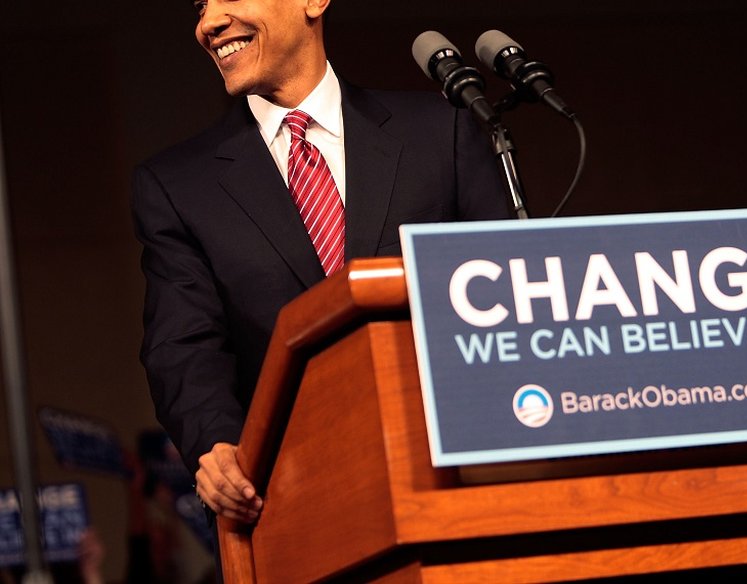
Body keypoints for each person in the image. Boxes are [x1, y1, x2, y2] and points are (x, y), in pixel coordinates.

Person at [131, 0, 511, 528]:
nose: (208, 23)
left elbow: (509, 294)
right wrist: (219, 446)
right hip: (294, 503)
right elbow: (183, 346)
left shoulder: (438, 133)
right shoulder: (178, 186)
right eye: (200, 7)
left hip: (456, 484)